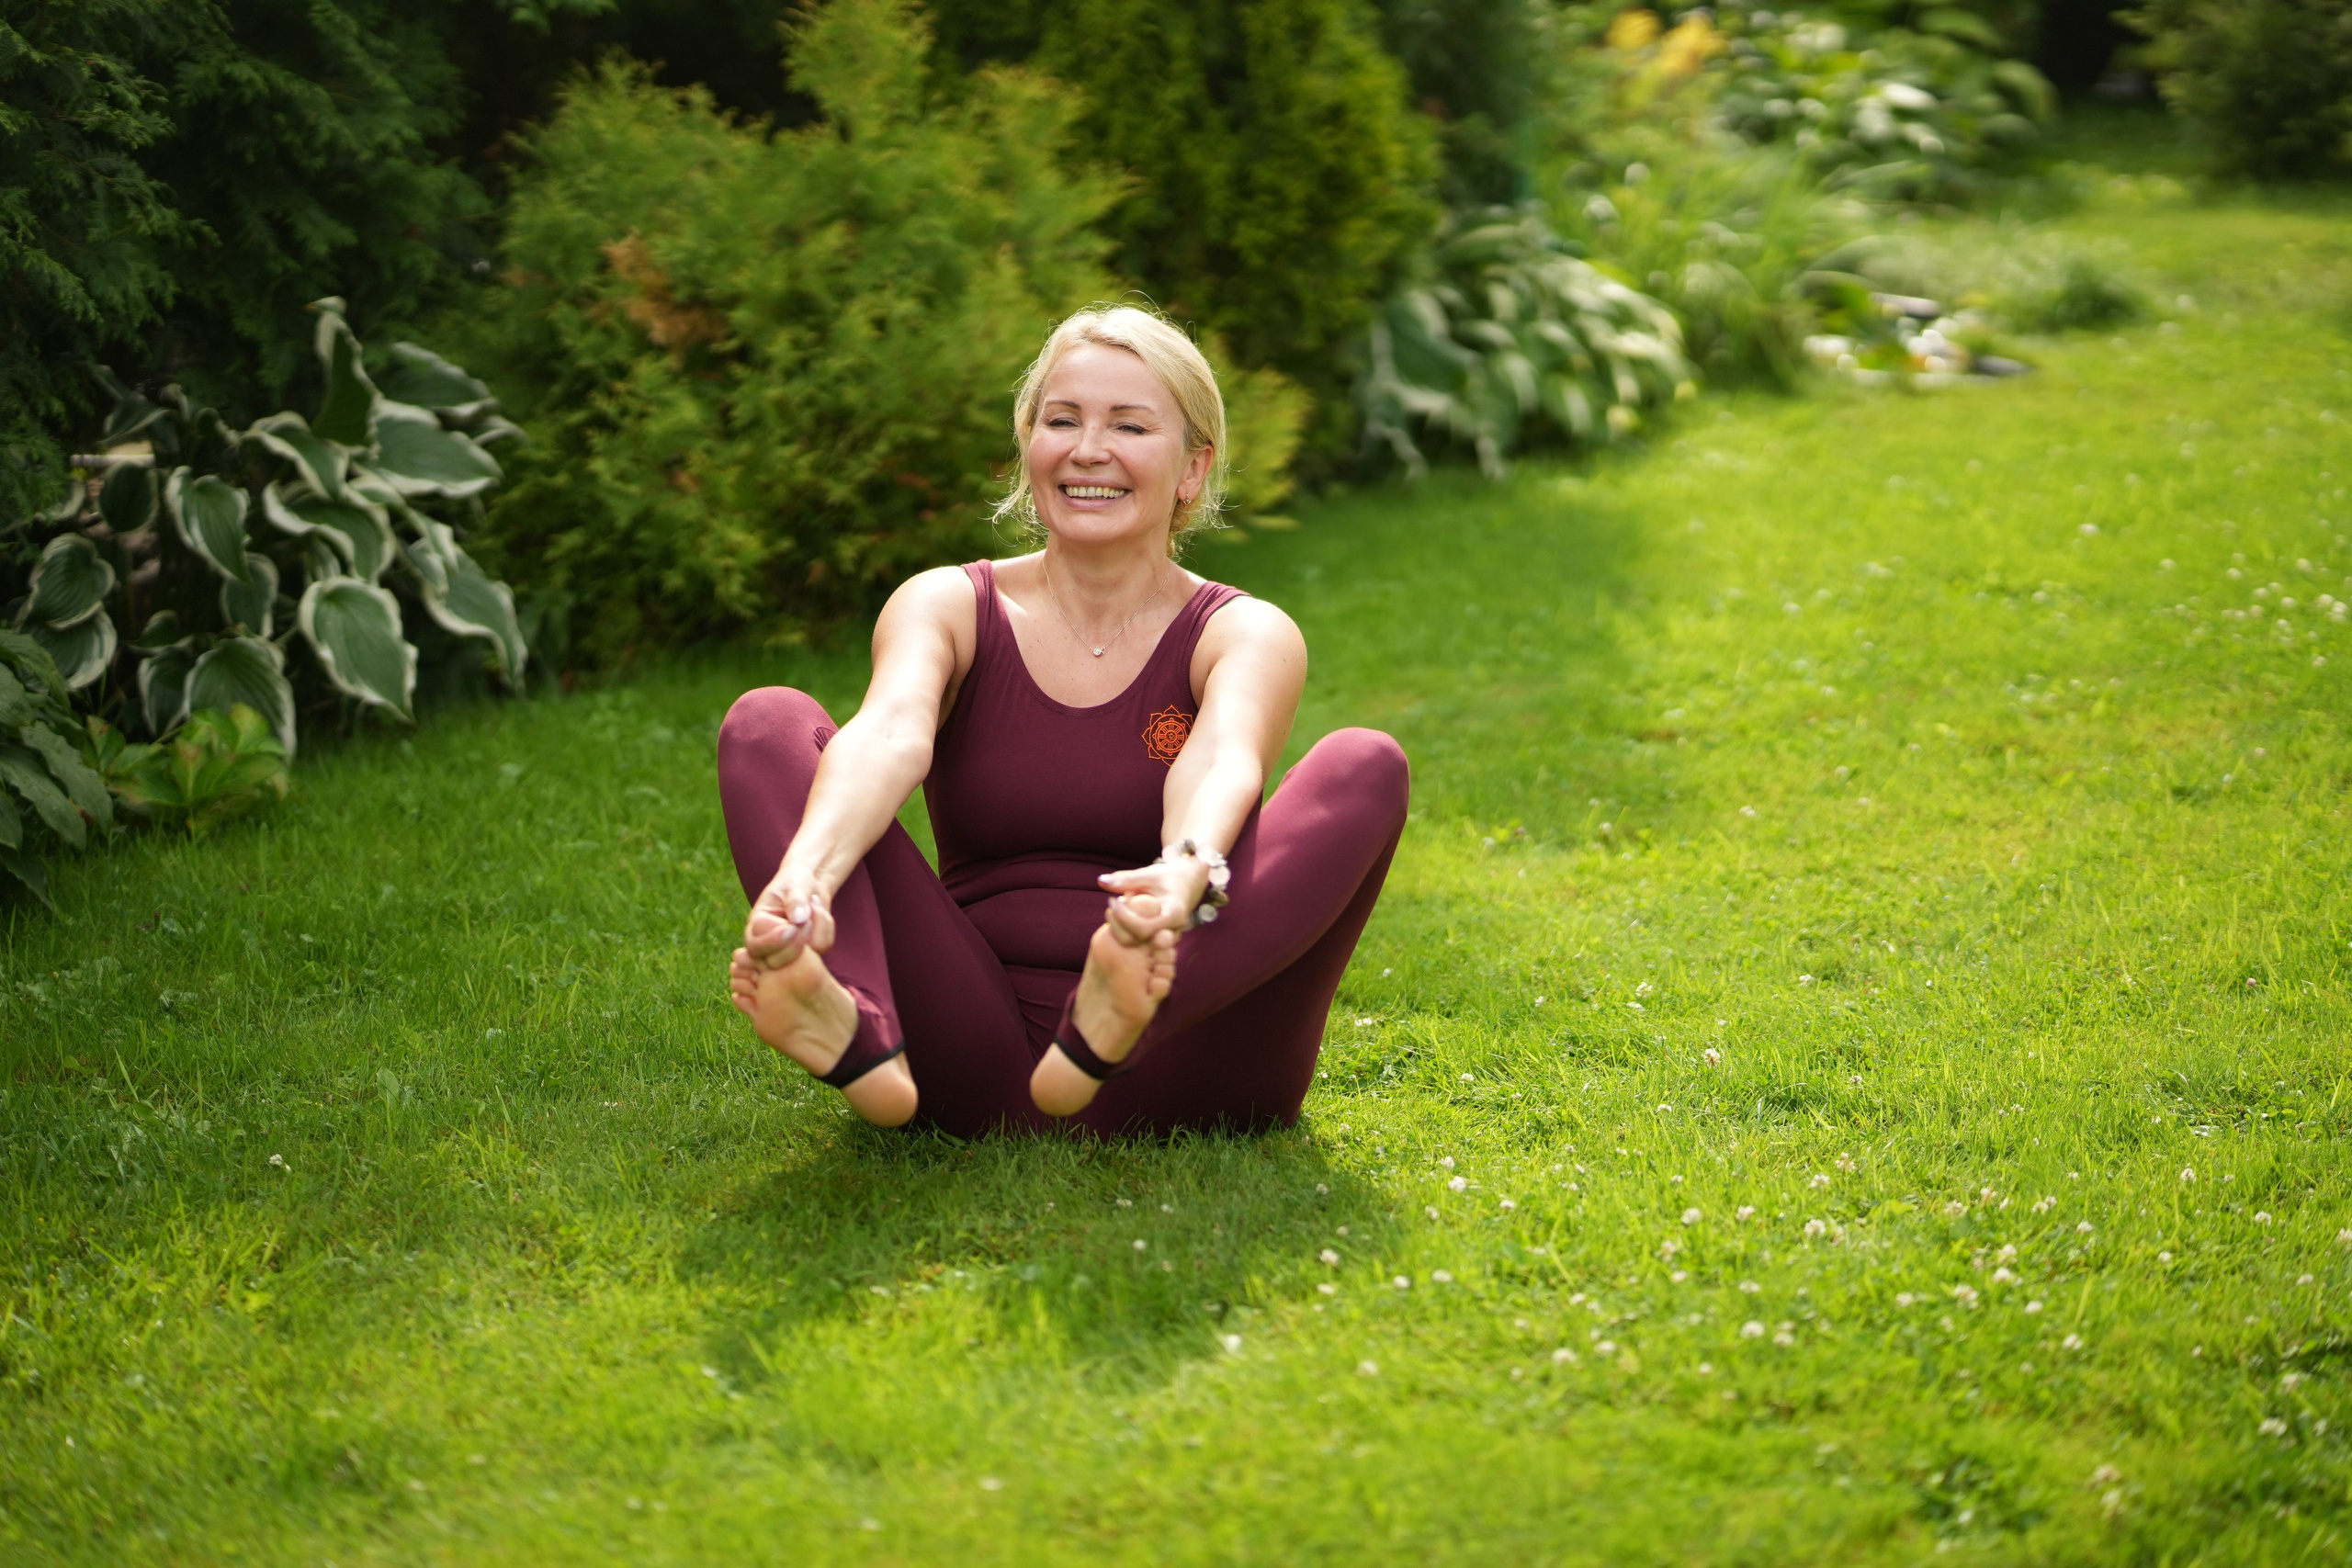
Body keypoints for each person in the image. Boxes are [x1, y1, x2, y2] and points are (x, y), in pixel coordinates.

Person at [718, 306, 1408, 1138]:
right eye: (1062, 420)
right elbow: (891, 732)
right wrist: (807, 878)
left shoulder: (1242, 631)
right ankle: (855, 1027)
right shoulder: (948, 604)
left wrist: (1183, 876)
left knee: (1366, 763)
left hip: (1187, 1055)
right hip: (970, 1049)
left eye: (1129, 424)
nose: (1088, 449)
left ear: (1193, 468)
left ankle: (1116, 1014)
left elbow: (1221, 758)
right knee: (767, 724)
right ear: (1028, 446)